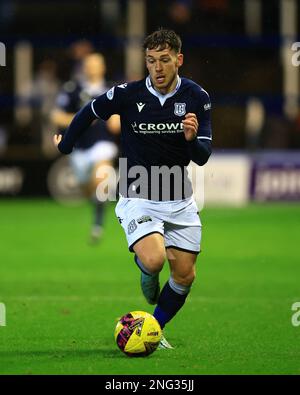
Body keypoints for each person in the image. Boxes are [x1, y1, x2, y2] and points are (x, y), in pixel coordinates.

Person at [54, 29, 212, 348]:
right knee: (154, 260)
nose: (157, 67)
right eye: (151, 61)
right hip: (137, 192)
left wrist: (192, 140)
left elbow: (203, 156)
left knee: (185, 276)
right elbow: (89, 112)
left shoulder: (197, 96)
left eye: (164, 60)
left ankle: (154, 326)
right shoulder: (127, 94)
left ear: (178, 60)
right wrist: (66, 145)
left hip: (179, 196)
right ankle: (146, 272)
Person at [51, 53, 120, 242]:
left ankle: (97, 226)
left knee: (101, 180)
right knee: (86, 188)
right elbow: (56, 116)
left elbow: (117, 123)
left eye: (96, 65)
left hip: (102, 144)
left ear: (103, 68)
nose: (92, 68)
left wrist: (116, 119)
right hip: (79, 148)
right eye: (88, 65)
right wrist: (82, 119)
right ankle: (99, 203)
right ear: (84, 68)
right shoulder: (72, 89)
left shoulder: (112, 90)